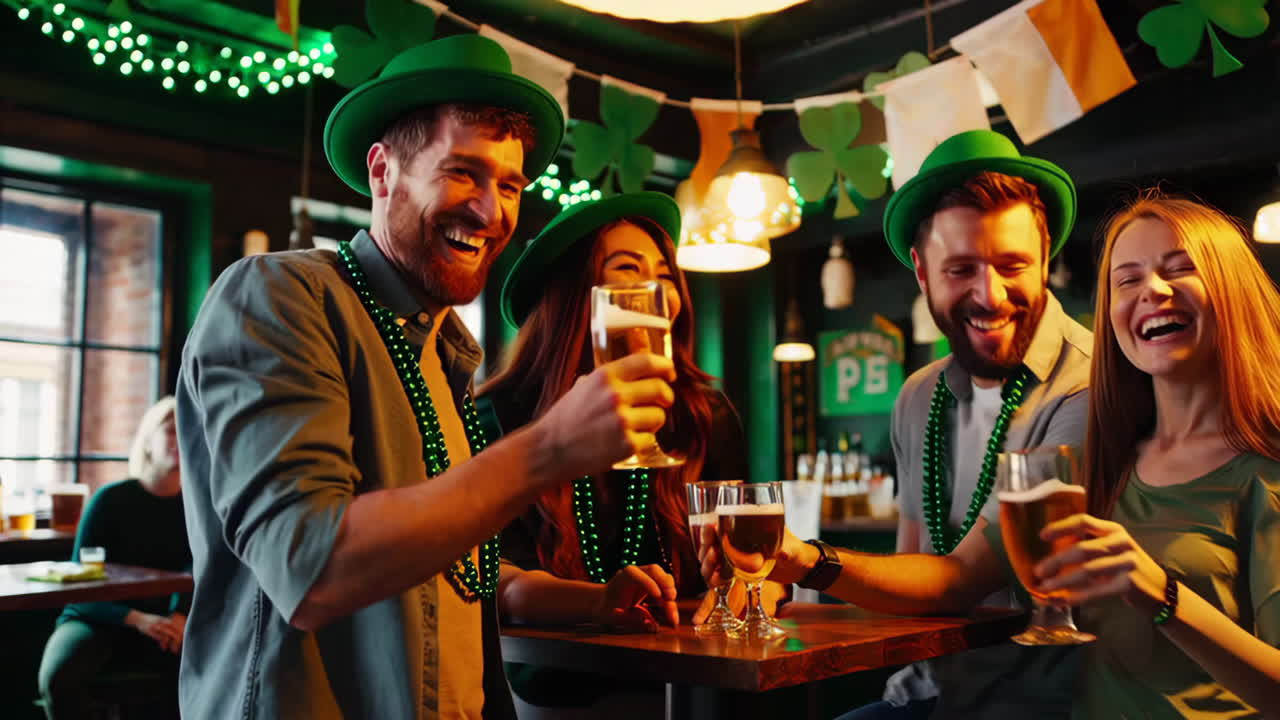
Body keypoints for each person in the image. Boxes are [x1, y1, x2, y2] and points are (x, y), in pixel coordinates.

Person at [176, 36, 677, 720]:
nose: (492, 211)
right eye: (463, 172)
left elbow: (451, 572)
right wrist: (548, 449)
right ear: (383, 172)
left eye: (510, 184)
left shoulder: (447, 350)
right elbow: (310, 568)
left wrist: (594, 601)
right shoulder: (278, 295)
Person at [712, 130, 1093, 719]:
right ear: (921, 271)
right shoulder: (920, 396)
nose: (989, 295)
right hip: (923, 695)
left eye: (1012, 264)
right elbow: (907, 571)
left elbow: (963, 578)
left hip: (1037, 705)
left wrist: (807, 561)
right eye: (961, 268)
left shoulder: (1088, 386)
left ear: (1045, 258)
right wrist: (776, 590)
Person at [477, 192, 753, 714]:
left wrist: (742, 587)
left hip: (694, 687)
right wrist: (600, 602)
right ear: (575, 294)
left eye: (666, 275)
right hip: (550, 693)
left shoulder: (703, 416)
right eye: (628, 268)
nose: (657, 290)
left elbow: (749, 563)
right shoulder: (502, 416)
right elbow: (492, 579)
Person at [1029, 192, 1280, 718]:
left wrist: (1163, 596)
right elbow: (966, 573)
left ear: (1232, 292)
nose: (1153, 291)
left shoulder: (1266, 471)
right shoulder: (1102, 461)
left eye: (1180, 268)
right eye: (1128, 279)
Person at [38, 396, 191, 719]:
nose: (181, 439)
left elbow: (199, 572)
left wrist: (180, 615)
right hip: (99, 618)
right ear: (147, 441)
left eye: (188, 429)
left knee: (208, 673)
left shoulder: (197, 509)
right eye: (170, 430)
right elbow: (79, 586)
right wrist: (137, 619)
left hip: (168, 624)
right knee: (58, 677)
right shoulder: (110, 500)